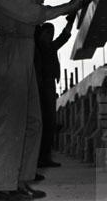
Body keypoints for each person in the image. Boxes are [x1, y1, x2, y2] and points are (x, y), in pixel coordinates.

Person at [0, 0, 107, 201]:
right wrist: (70, 6)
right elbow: (34, 14)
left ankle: (21, 181)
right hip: (10, 53)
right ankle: (3, 187)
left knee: (33, 122)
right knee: (11, 123)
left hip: (25, 52)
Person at [34, 15, 74, 168]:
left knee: (49, 122)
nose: (50, 36)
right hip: (41, 86)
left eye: (51, 34)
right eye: (48, 33)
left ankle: (44, 157)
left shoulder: (50, 47)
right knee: (44, 122)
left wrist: (70, 21)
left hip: (49, 86)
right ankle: (41, 157)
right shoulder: (37, 48)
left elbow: (64, 37)